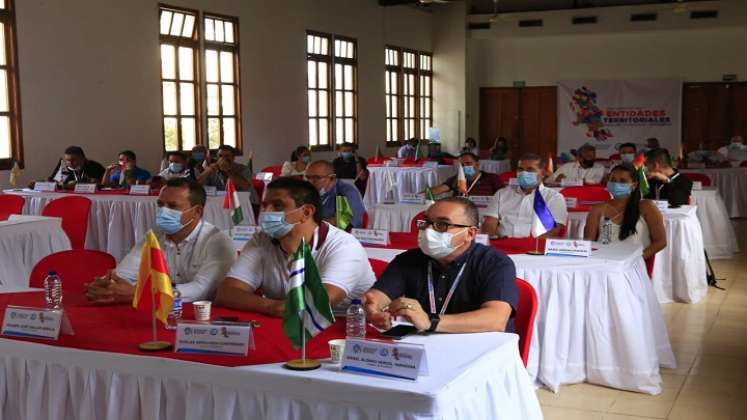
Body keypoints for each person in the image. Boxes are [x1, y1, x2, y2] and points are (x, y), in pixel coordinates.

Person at [214, 177, 376, 314]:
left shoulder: (343, 246)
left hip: (343, 329)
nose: (266, 212)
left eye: (278, 206)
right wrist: (274, 306)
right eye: (265, 206)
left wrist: (276, 307)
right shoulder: (262, 239)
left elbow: (318, 303)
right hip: (286, 326)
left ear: (306, 212)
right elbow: (226, 293)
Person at [363, 197, 518, 333]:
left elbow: (496, 319)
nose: (429, 230)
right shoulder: (407, 260)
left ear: (470, 234)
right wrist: (372, 310)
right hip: (423, 348)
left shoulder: (495, 263)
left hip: (482, 353)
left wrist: (431, 322)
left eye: (442, 225)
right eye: (426, 223)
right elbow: (373, 298)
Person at [84, 178, 236, 303]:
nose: (163, 211)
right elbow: (124, 273)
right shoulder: (154, 236)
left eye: (172, 206)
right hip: (159, 313)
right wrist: (107, 285)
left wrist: (141, 294)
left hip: (200, 319)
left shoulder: (217, 242)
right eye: (160, 205)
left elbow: (200, 290)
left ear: (197, 211)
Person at [584, 164, 666, 259]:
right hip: (603, 262)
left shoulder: (646, 206)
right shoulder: (597, 209)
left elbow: (660, 242)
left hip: (633, 264)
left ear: (634, 185)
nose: (616, 184)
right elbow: (589, 243)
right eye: (613, 180)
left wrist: (635, 260)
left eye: (623, 181)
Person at [482, 153, 567, 238]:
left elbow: (554, 230)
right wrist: (494, 241)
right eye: (520, 169)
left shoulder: (554, 198)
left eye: (530, 170)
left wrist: (532, 246)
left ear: (543, 173)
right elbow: (489, 224)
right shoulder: (501, 194)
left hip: (534, 247)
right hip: (503, 245)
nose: (524, 173)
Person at [305, 160, 365, 230]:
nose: (310, 182)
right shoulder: (309, 192)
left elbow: (343, 222)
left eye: (317, 178)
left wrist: (311, 222)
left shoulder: (344, 191)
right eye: (308, 178)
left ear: (332, 178)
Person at [430, 152, 503, 197]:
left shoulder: (492, 178)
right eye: (462, 165)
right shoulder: (457, 179)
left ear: (477, 164)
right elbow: (437, 190)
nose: (465, 167)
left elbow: (503, 196)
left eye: (468, 163)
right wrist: (420, 196)